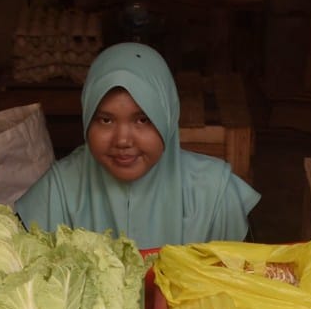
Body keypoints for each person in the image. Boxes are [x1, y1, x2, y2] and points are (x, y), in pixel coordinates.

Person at [14, 43, 260, 249]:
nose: (122, 140)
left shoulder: (216, 195)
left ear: (166, 119)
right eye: (105, 120)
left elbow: (244, 288)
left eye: (142, 120)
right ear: (87, 119)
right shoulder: (55, 193)